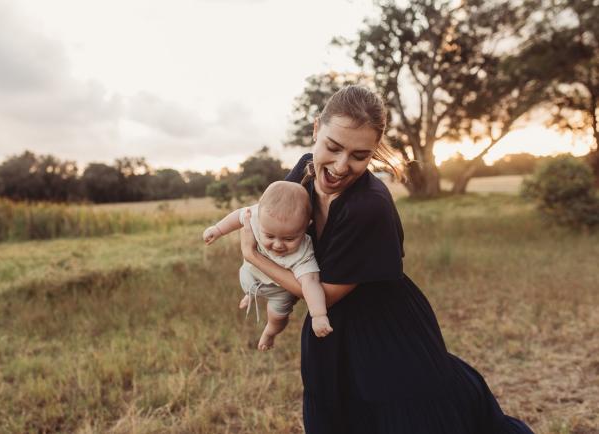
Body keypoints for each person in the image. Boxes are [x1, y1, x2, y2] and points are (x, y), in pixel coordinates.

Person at [238, 86, 534, 433]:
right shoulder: (304, 171)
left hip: (387, 331)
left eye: (360, 156)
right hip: (330, 333)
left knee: (412, 418)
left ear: (374, 152)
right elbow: (270, 222)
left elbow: (327, 293)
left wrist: (252, 256)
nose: (340, 166)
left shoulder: (369, 207)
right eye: (332, 147)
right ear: (316, 129)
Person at [203, 181, 333, 351]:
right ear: (260, 217)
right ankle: (251, 293)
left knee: (277, 317)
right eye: (269, 236)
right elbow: (238, 216)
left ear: (306, 226)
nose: (278, 245)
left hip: (279, 291)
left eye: (289, 239)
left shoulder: (303, 253)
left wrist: (318, 315)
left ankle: (270, 333)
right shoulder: (256, 216)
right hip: (251, 273)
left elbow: (311, 282)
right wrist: (218, 229)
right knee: (246, 281)